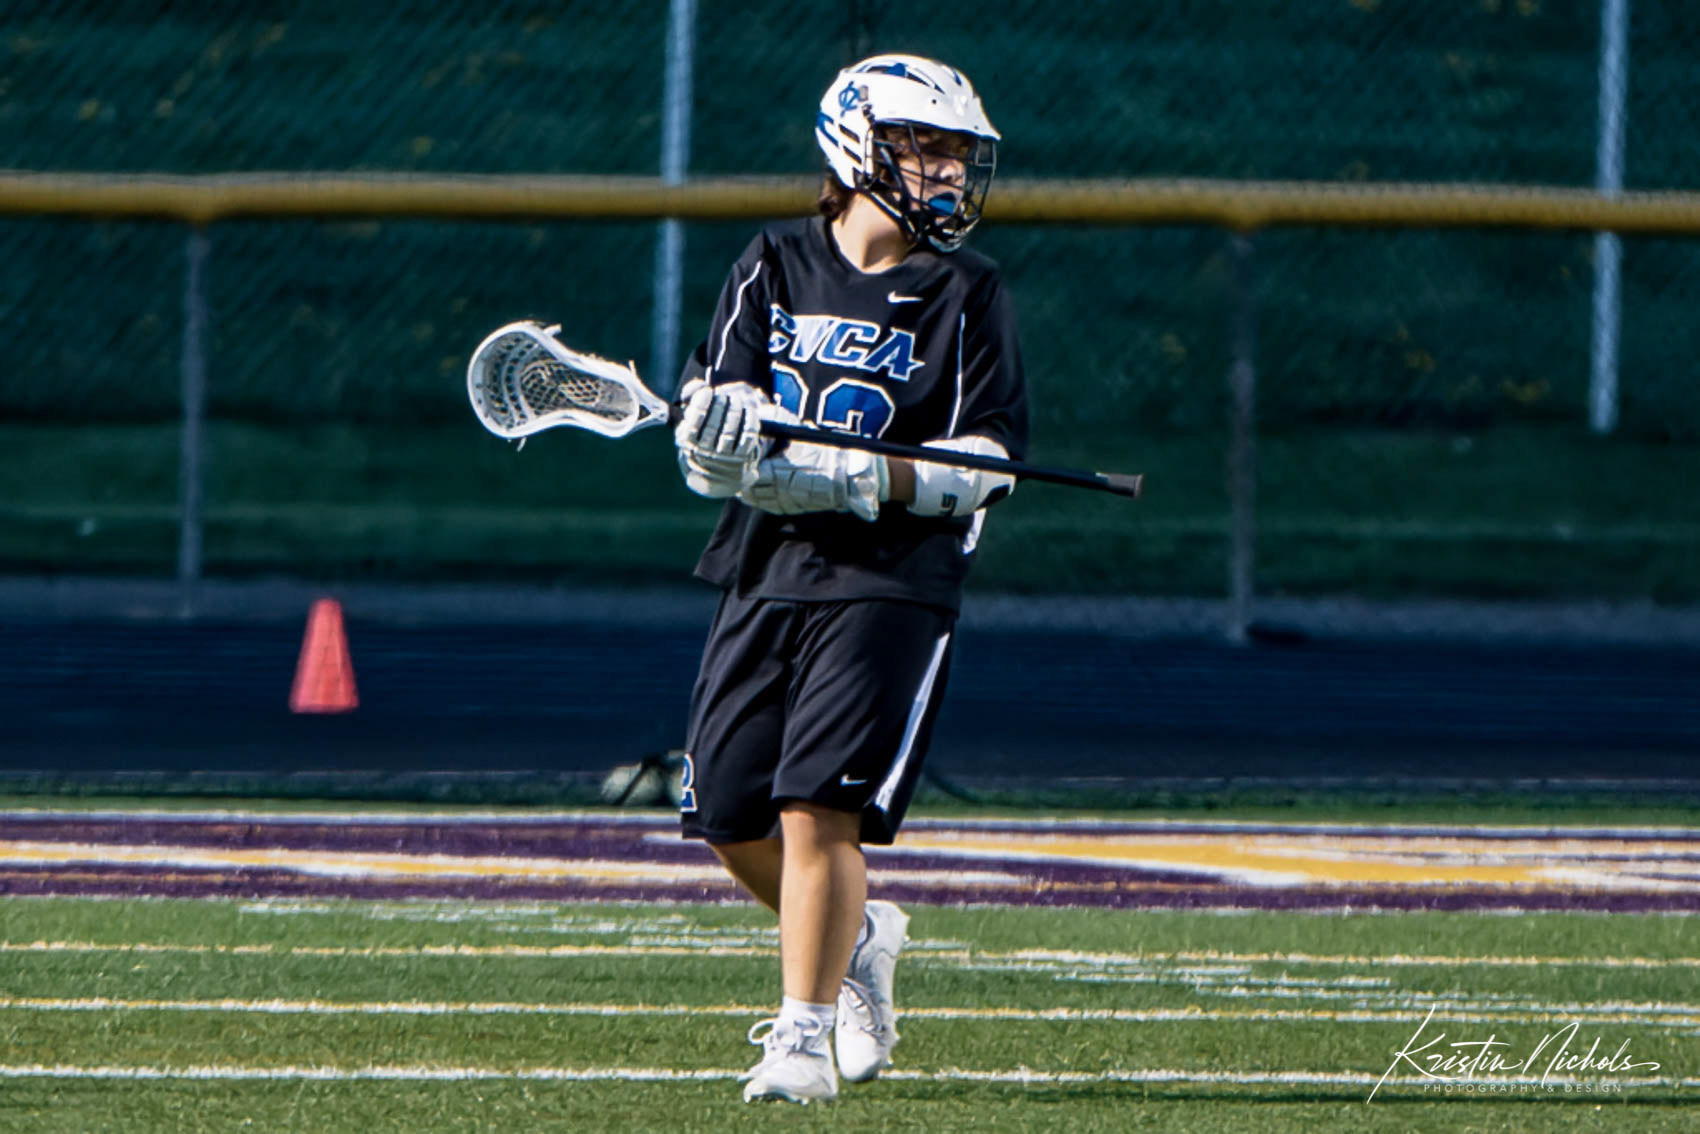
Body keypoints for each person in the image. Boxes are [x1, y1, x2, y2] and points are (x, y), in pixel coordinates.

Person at [670, 52, 1029, 1105]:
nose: (946, 172)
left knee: (813, 807)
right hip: (765, 564)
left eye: (957, 154)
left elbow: (990, 462)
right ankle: (858, 934)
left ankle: (801, 1036)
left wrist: (867, 474)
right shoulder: (772, 261)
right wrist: (715, 446)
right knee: (726, 812)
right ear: (857, 148)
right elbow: (716, 415)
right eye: (924, 149)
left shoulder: (965, 290)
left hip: (890, 576)